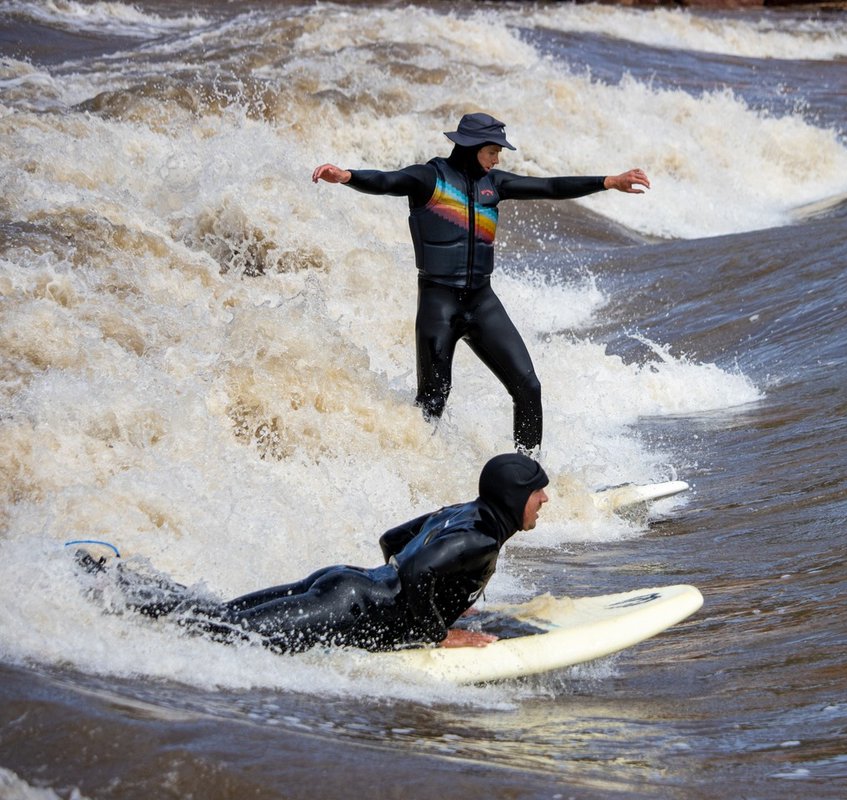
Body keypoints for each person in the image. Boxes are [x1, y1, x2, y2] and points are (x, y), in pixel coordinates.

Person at [312, 112, 650, 453]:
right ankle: (408, 468)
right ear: (472, 148)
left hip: (482, 302)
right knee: (432, 403)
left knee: (529, 387)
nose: (497, 159)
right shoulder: (429, 178)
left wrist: (608, 181)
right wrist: (347, 176)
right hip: (438, 304)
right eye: (492, 151)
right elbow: (387, 181)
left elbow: (549, 187)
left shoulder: (495, 184)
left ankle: (526, 471)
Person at [81, 453, 550, 652]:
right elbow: (416, 571)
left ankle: (115, 582)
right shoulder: (482, 539)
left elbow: (393, 541)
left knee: (219, 618)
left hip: (343, 585)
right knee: (224, 635)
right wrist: (437, 633)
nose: (544, 500)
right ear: (514, 497)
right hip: (347, 610)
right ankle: (110, 590)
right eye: (537, 492)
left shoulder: (463, 512)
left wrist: (442, 599)